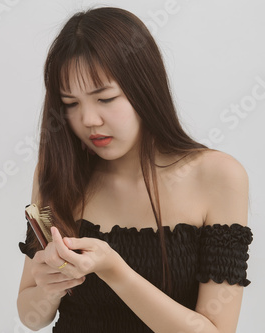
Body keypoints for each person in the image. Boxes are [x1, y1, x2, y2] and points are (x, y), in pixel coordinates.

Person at [16, 6, 253, 333]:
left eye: (105, 98)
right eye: (70, 104)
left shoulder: (218, 176)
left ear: (144, 87)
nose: (88, 120)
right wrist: (48, 285)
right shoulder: (58, 171)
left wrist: (114, 270)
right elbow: (31, 317)